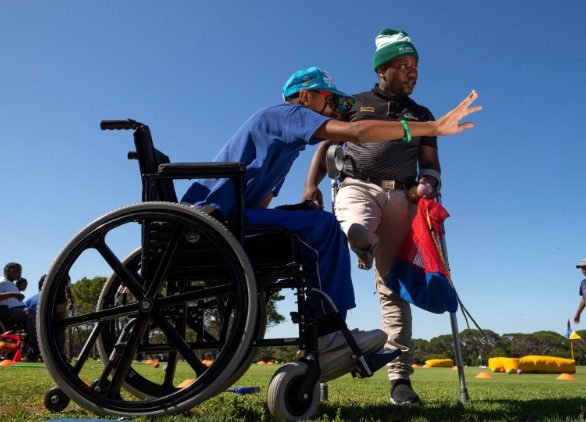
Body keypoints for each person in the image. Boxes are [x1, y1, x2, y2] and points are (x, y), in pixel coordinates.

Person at [181, 66, 480, 381]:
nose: (335, 110)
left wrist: (300, 208)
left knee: (314, 222)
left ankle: (325, 330)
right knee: (325, 228)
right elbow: (356, 132)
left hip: (230, 218)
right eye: (331, 102)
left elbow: (259, 207)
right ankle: (327, 335)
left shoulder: (285, 144)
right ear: (306, 95)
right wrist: (429, 127)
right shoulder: (288, 114)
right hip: (214, 217)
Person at [302, 28, 454, 404]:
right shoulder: (354, 102)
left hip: (403, 195)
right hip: (358, 186)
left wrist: (429, 184)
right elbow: (325, 146)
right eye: (403, 65)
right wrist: (310, 187)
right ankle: (361, 243)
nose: (412, 72)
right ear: (382, 69)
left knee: (393, 288)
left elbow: (430, 163)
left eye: (416, 65)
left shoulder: (423, 115)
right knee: (354, 228)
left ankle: (399, 378)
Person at [0, 262, 29, 328]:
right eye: (18, 270)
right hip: (7, 313)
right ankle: (35, 337)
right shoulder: (1, 282)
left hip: (16, 311)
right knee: (31, 313)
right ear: (9, 270)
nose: (20, 273)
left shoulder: (12, 285)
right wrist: (13, 294)